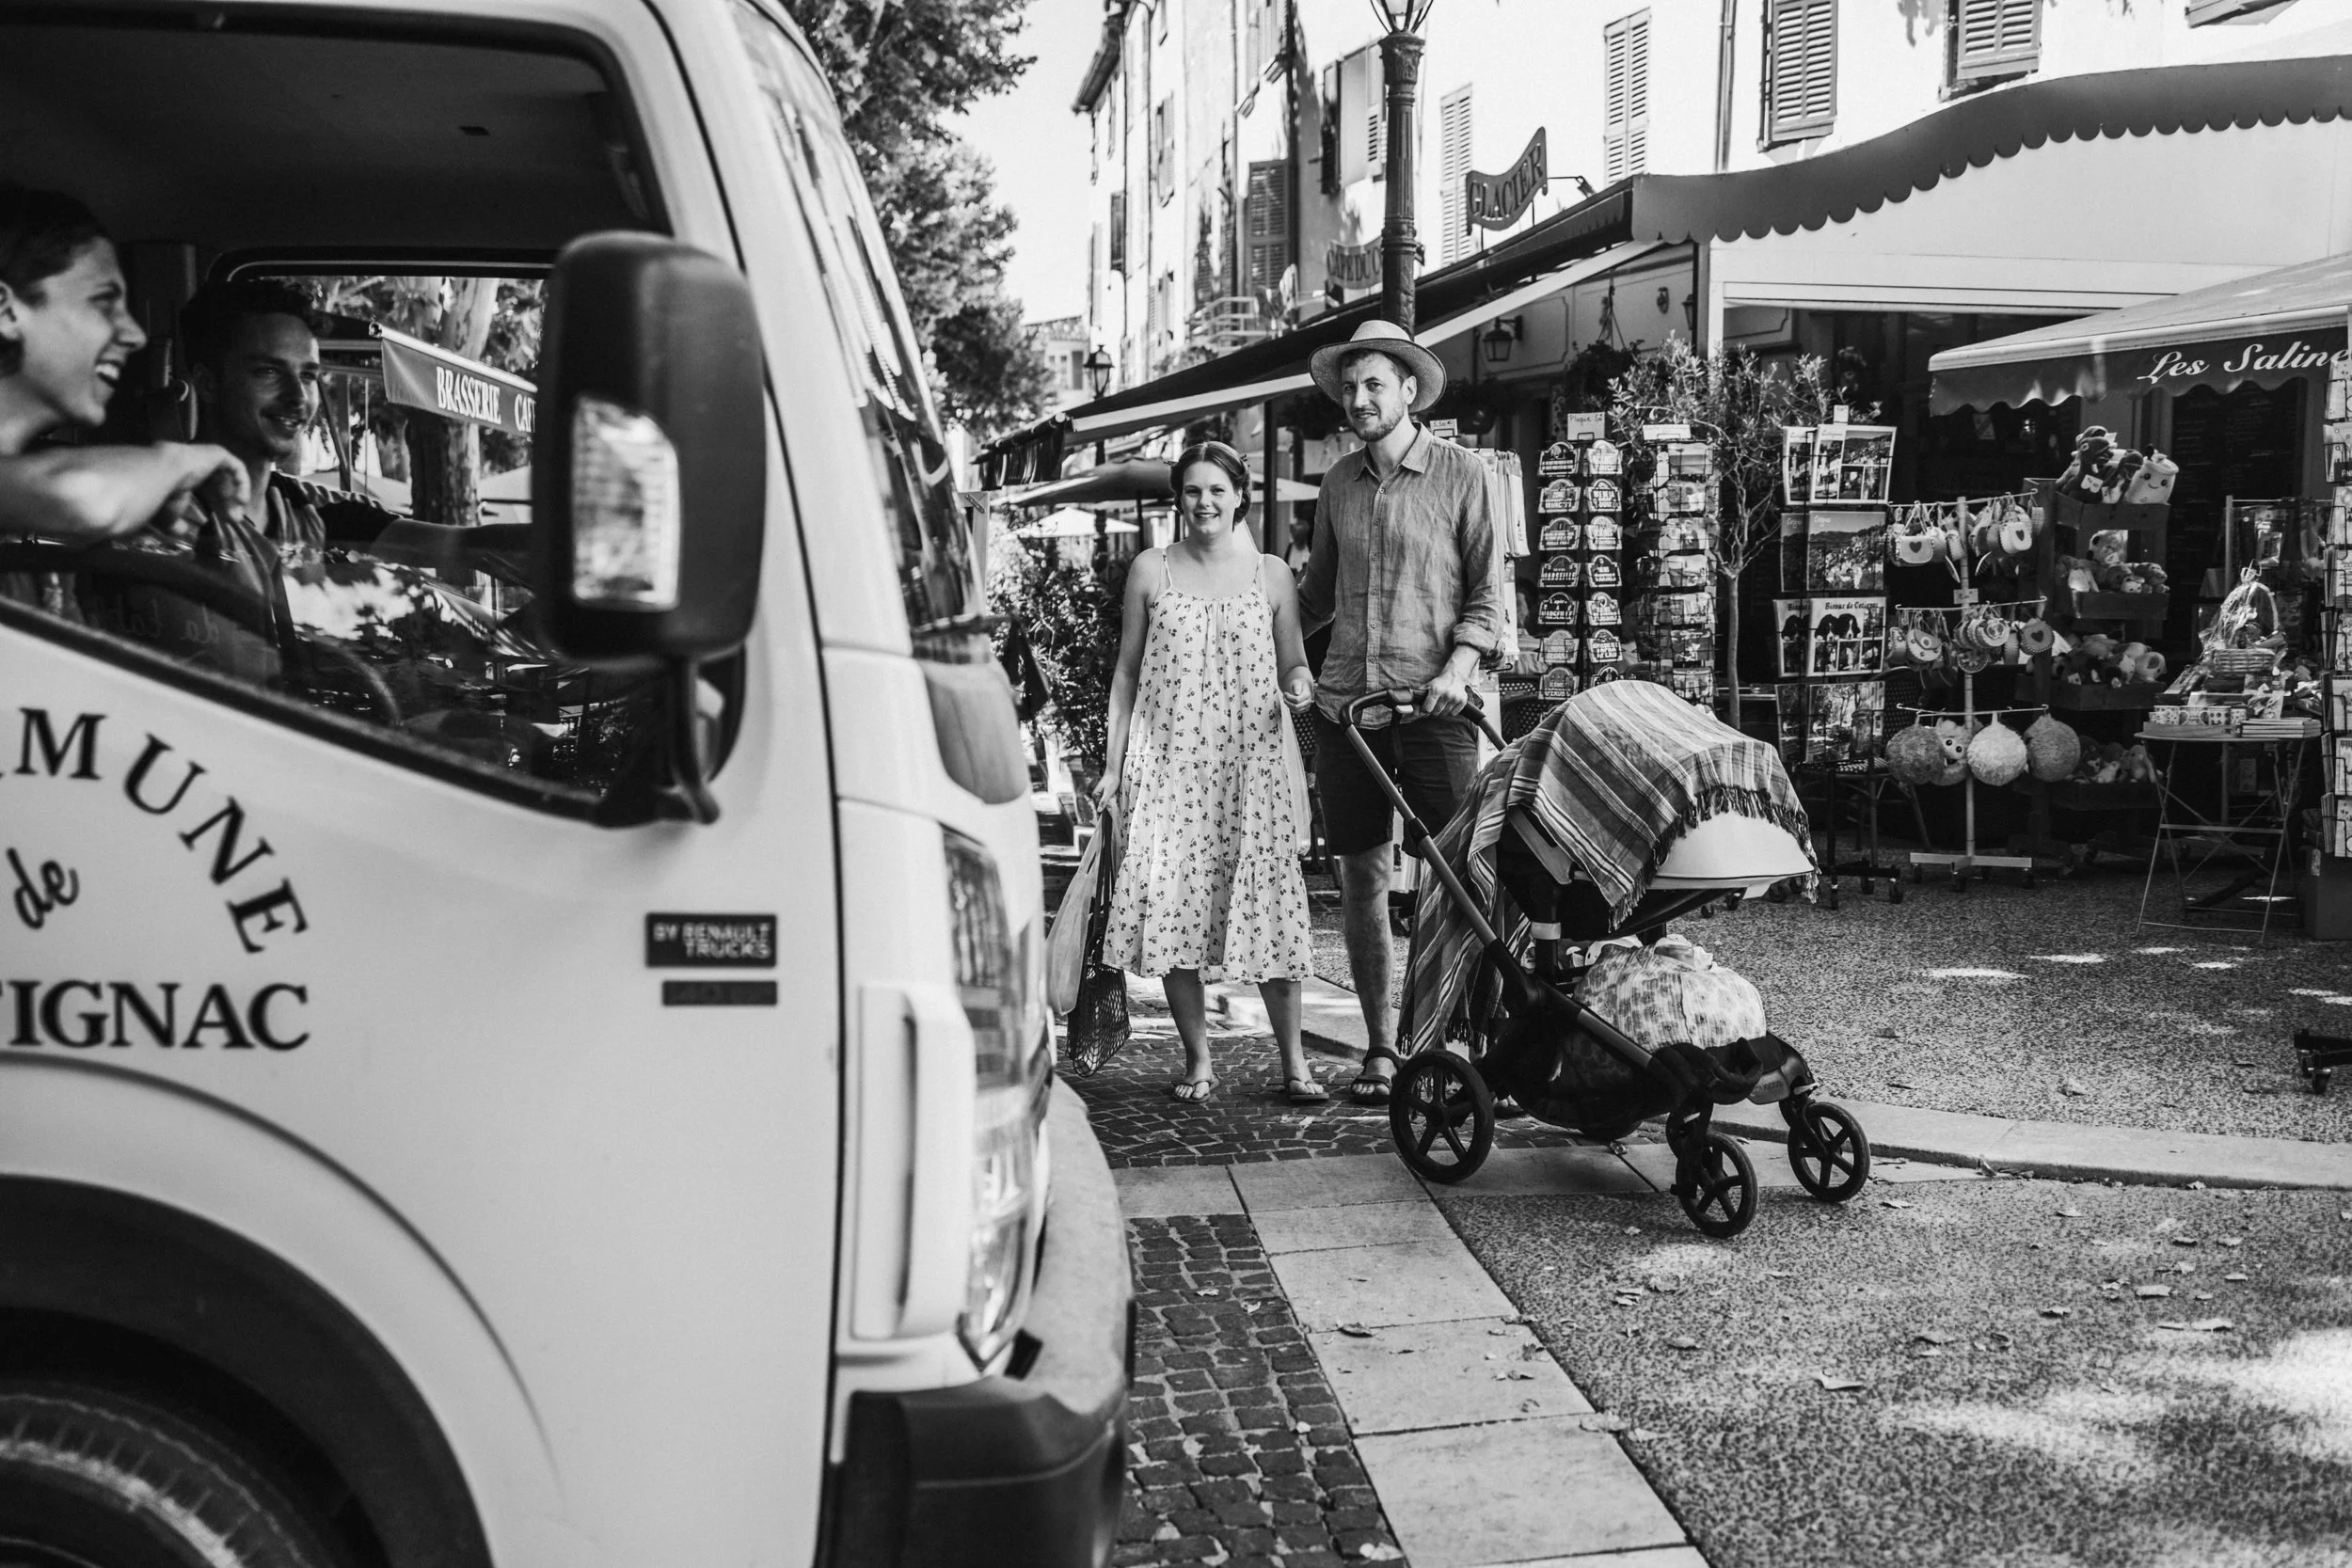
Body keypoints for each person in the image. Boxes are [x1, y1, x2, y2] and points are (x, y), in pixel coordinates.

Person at [1295, 319, 1501, 1104]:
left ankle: (1474, 1040)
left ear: (1409, 390)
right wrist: (1254, 630)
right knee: (1362, 879)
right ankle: (1383, 1048)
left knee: (1463, 880)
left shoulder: (1463, 474)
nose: (1358, 399)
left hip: (1436, 706)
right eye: (1349, 387)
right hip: (1350, 708)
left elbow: (1486, 595)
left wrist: (1459, 666)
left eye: (1374, 384)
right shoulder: (1339, 484)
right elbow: (1315, 597)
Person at [1095, 441, 1322, 1104]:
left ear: (1239, 494)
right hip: (1169, 774)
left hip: (1253, 773)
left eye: (1216, 489)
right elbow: (1127, 674)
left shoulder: (1272, 574)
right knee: (1177, 913)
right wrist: (1113, 768)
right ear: (1179, 498)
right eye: (1192, 490)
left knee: (1273, 911)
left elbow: (1294, 663)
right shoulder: (1150, 570)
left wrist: (1301, 685)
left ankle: (1295, 1063)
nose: (1204, 501)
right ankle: (1199, 1060)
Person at [0, 183, 246, 546]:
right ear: (6, 311)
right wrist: (173, 463)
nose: (135, 335)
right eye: (103, 302)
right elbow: (82, 500)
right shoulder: (55, 490)